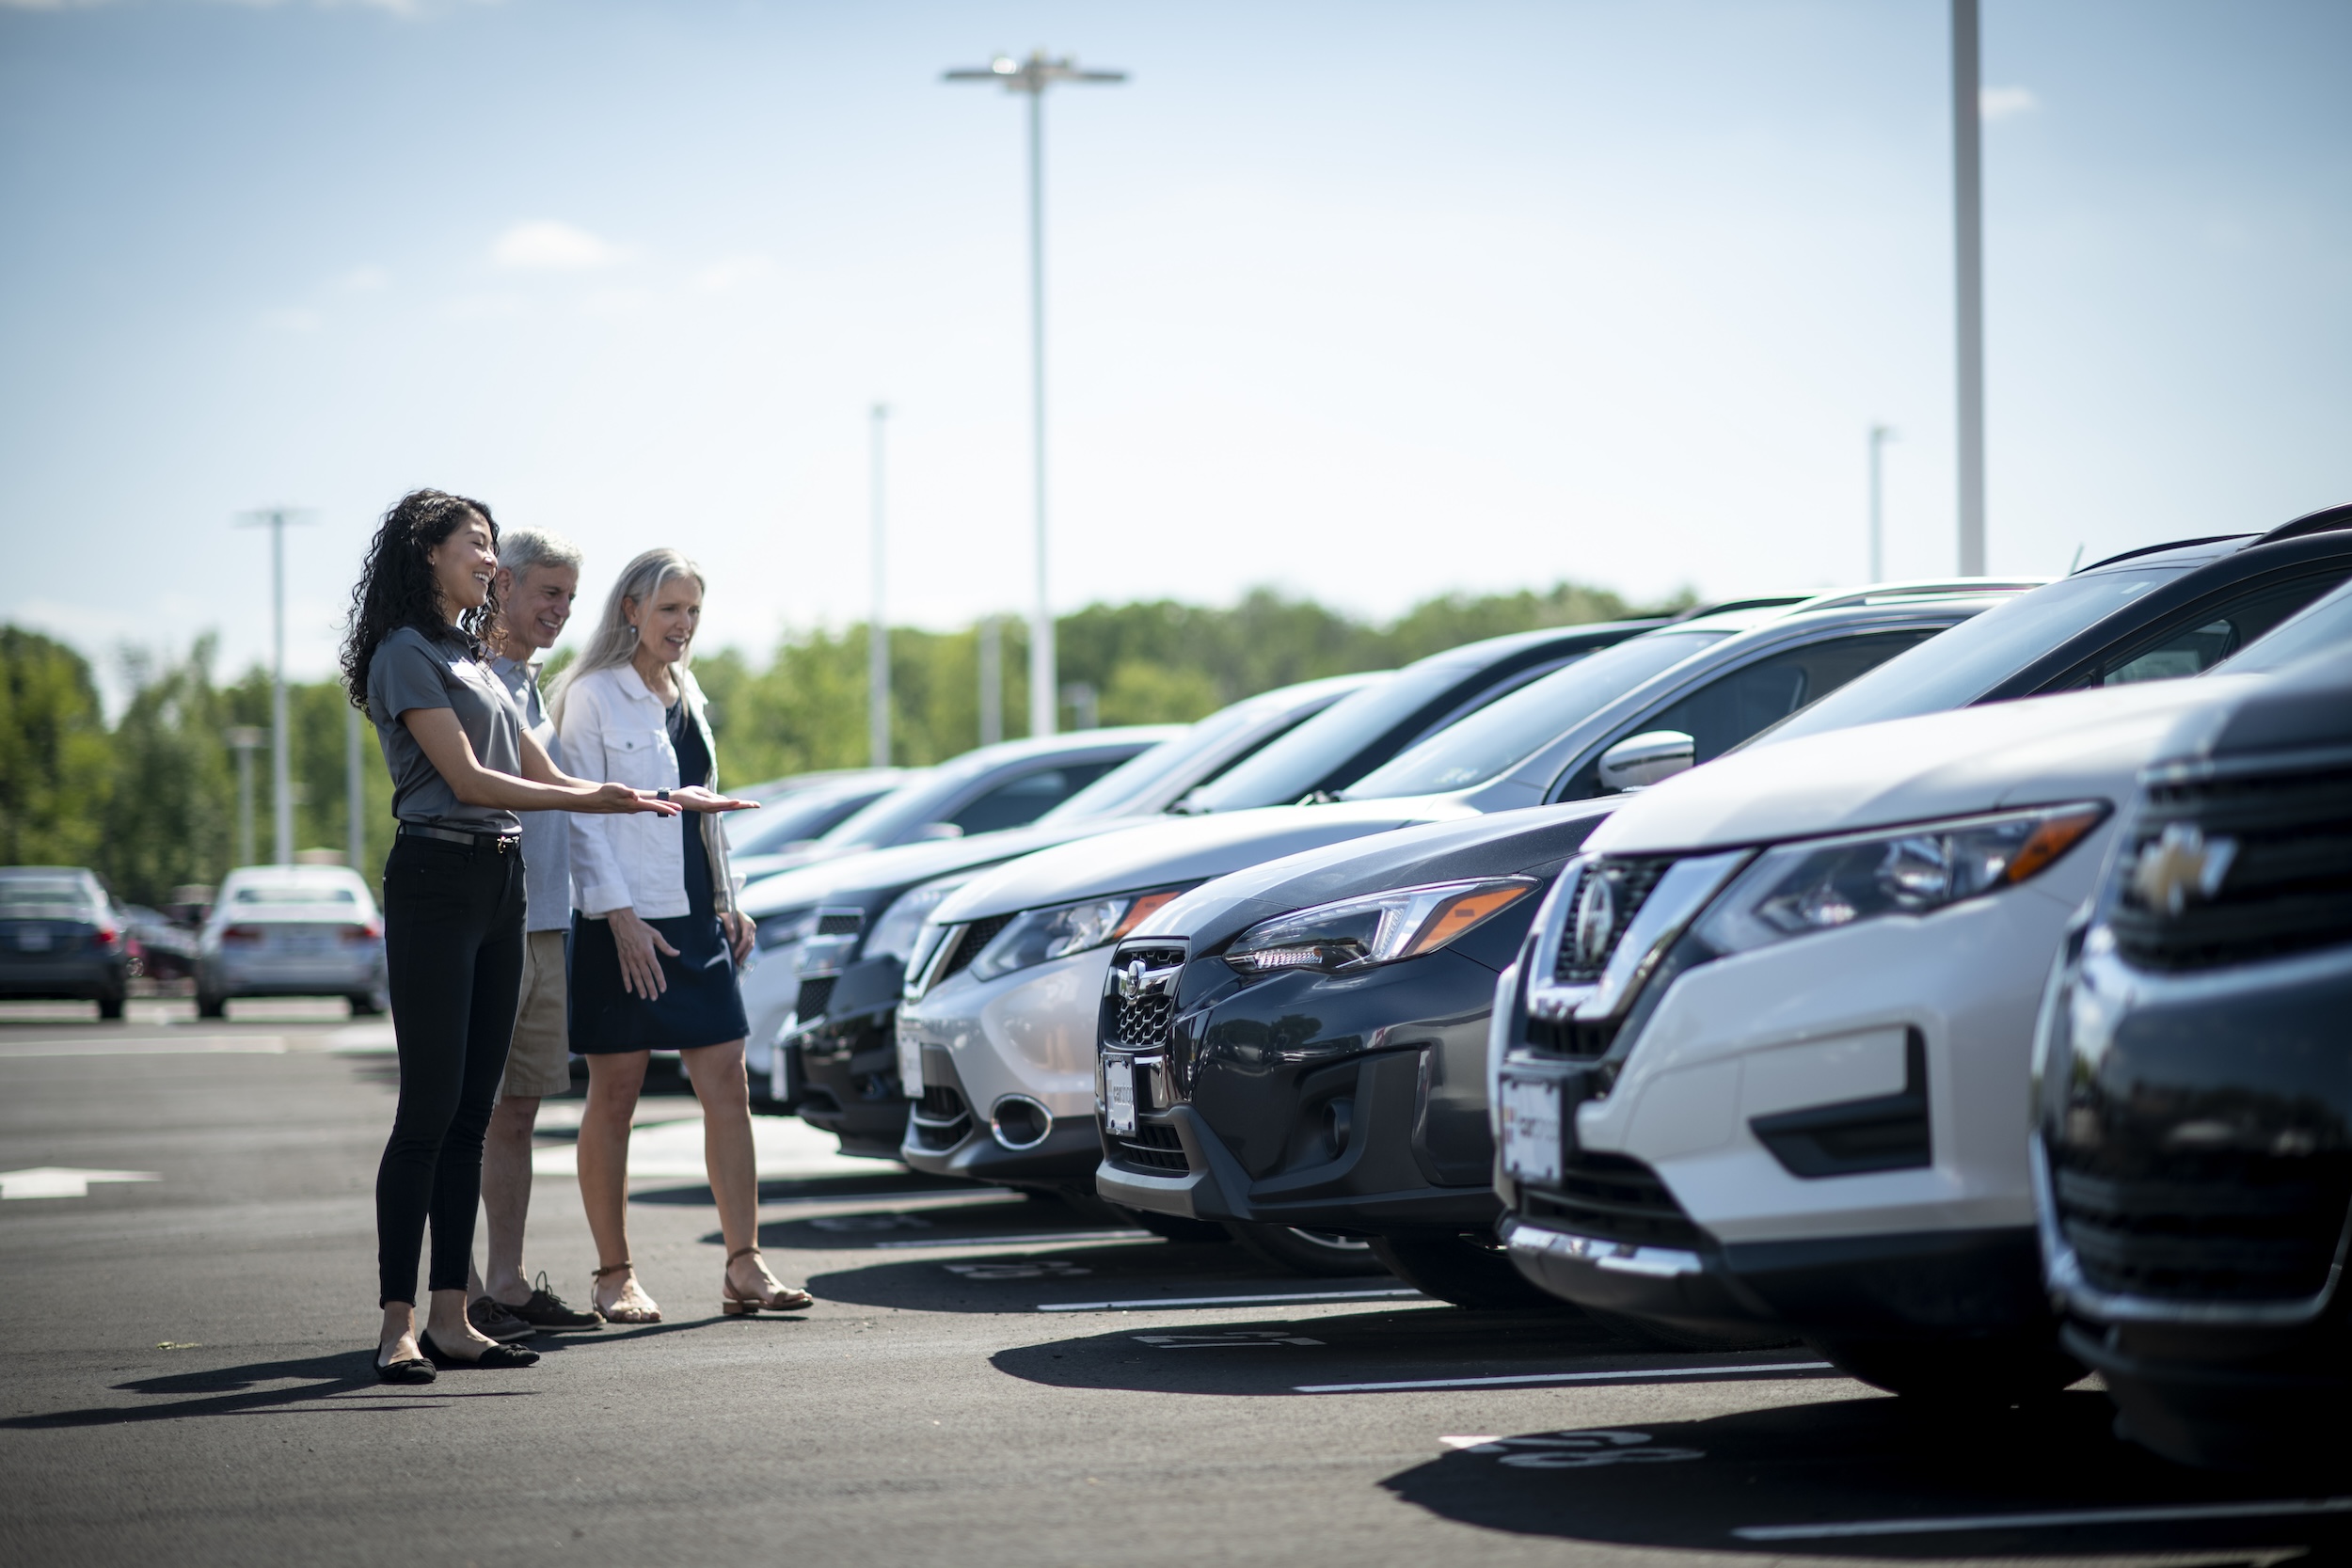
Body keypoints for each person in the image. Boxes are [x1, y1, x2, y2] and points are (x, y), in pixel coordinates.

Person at [340, 492, 748, 1384]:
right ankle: (398, 1322)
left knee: (473, 1118)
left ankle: (454, 1315)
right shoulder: (407, 654)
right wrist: (591, 796)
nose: (488, 559)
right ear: (428, 555)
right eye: (475, 546)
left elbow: (555, 767)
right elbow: (473, 780)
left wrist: (664, 799)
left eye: (492, 545)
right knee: (427, 1114)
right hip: (439, 876)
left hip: (504, 883)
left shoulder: (473, 658)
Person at [554, 548, 813, 1324]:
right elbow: (582, 812)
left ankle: (744, 1265)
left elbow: (701, 808)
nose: (683, 624)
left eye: (693, 610)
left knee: (727, 1081)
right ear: (629, 609)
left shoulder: (687, 691)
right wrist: (619, 915)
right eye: (670, 608)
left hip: (694, 916)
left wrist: (730, 900)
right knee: (619, 1091)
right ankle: (613, 1274)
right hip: (619, 922)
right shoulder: (591, 694)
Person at [462, 527, 605, 1343]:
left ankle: (507, 1283)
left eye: (570, 598)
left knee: (516, 1112)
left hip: (546, 923)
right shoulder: (468, 674)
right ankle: (462, 1290)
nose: (559, 611)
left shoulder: (533, 682)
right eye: (548, 593)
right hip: (487, 925)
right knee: (462, 1111)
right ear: (504, 585)